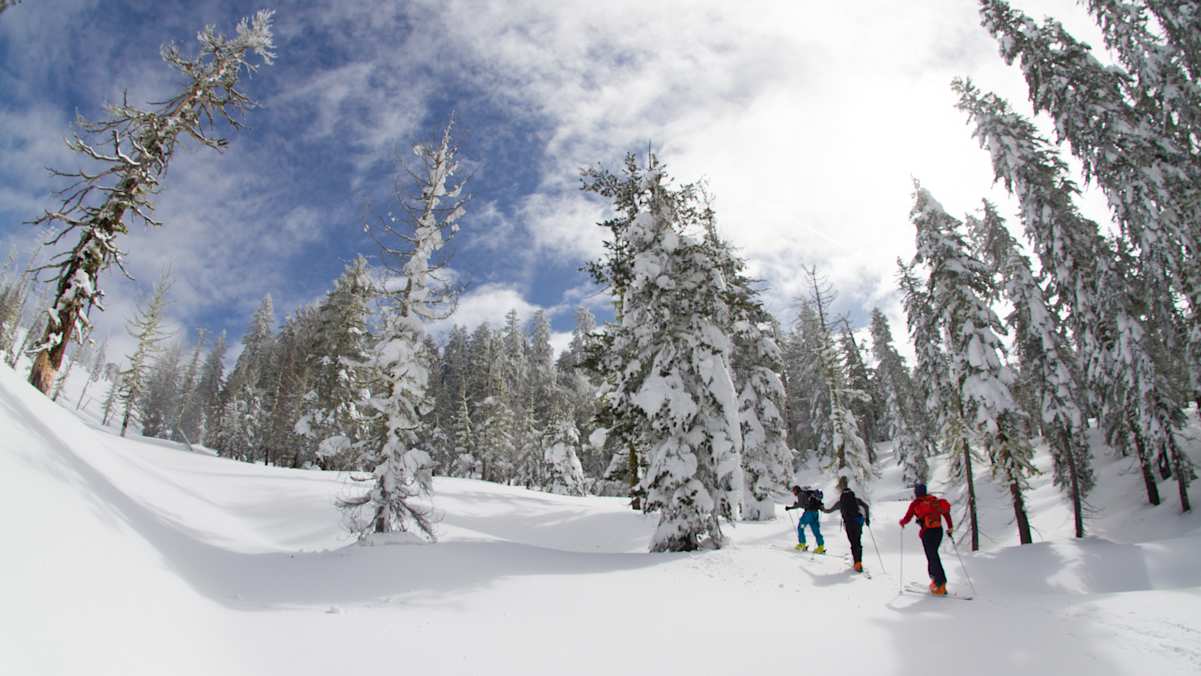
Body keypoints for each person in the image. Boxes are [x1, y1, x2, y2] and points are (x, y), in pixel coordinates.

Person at [899, 483, 953, 596]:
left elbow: (908, 517)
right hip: (938, 531)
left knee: (932, 557)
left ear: (916, 492)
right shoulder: (934, 501)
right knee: (933, 556)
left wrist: (902, 523)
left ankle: (940, 584)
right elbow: (946, 514)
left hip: (927, 533)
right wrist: (950, 527)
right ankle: (935, 580)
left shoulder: (916, 503)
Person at [823, 476, 870, 572]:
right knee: (858, 542)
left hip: (848, 524)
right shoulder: (856, 499)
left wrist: (822, 508)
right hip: (858, 522)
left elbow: (829, 510)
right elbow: (866, 506)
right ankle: (858, 562)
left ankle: (856, 562)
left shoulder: (841, 502)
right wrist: (867, 518)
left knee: (853, 543)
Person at [784, 485, 825, 553]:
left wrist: (790, 507)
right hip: (815, 514)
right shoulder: (806, 494)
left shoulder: (800, 494)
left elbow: (800, 505)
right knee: (816, 531)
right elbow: (804, 504)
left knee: (801, 527)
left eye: (794, 491)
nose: (793, 493)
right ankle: (821, 547)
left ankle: (802, 544)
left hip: (808, 514)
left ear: (797, 490)